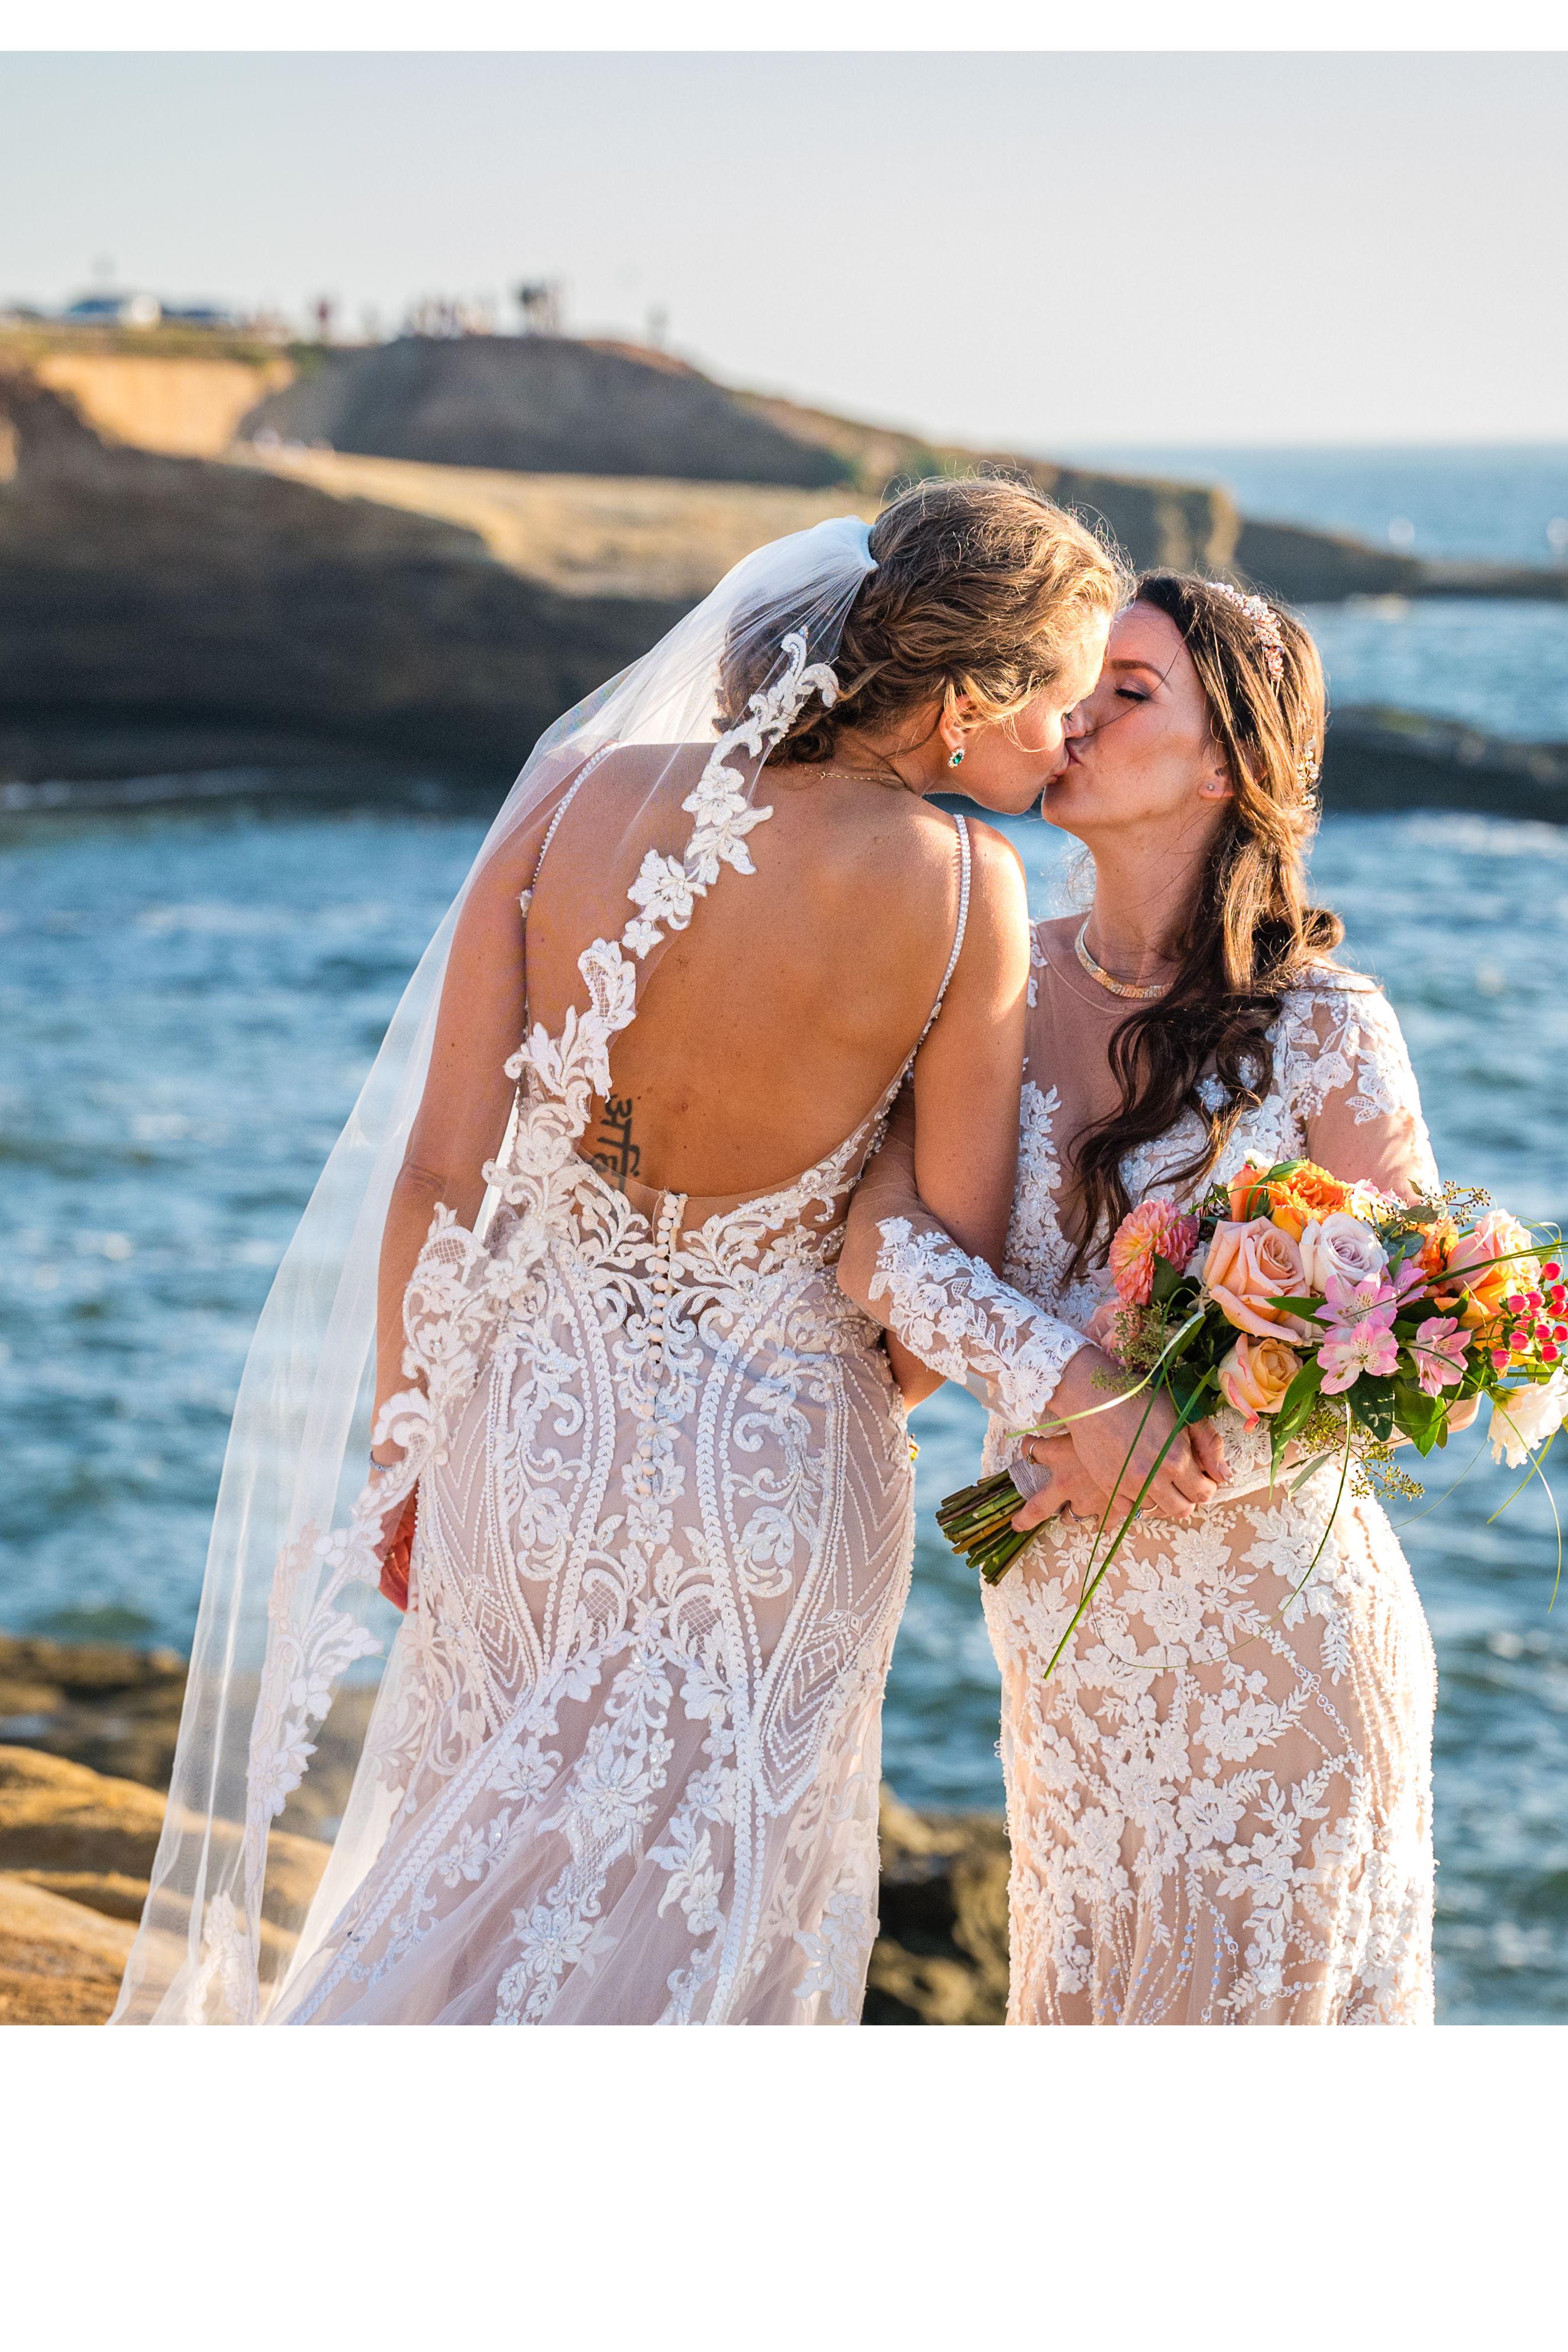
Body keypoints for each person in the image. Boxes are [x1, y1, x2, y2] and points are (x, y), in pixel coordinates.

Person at [113, 478, 1125, 2024]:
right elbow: (945, 1275)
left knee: (456, 1888)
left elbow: (441, 1174)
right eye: (1062, 694)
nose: (1073, 740)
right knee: (716, 1932)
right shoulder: (969, 889)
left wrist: (409, 1446)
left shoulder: (574, 800)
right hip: (776, 1473)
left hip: (525, 1430)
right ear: (972, 691)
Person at [843, 573, 1440, 2025]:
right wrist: (1074, 1394)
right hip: (1069, 1646)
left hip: (1275, 1651)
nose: (1079, 716)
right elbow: (882, 1245)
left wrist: (1179, 1438)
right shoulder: (994, 975)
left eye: (1131, 692)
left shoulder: (1327, 1027)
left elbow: (1403, 1350)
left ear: (1227, 761)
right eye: (1084, 683)